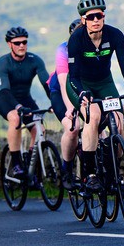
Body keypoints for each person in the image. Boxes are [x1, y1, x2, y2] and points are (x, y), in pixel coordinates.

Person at [66, 0, 124, 193]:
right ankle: (89, 175)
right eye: (90, 17)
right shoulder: (76, 39)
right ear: (83, 20)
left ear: (104, 16)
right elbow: (73, 76)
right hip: (80, 84)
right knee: (94, 115)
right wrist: (82, 92)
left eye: (99, 15)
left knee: (118, 120)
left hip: (105, 83)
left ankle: (113, 174)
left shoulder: (115, 35)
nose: (95, 20)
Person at [0, 26, 51, 180]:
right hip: (3, 97)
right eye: (17, 43)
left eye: (24, 42)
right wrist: (18, 107)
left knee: (40, 128)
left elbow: (47, 85)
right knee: (15, 118)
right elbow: (5, 91)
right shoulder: (3, 63)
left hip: (25, 98)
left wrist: (55, 102)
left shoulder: (35, 60)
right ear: (10, 44)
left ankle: (28, 161)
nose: (21, 45)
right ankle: (16, 163)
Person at [47, 19, 83, 190]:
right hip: (60, 92)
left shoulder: (93, 47)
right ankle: (67, 171)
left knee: (99, 128)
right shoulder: (63, 49)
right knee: (73, 127)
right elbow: (63, 83)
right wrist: (70, 108)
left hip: (82, 90)